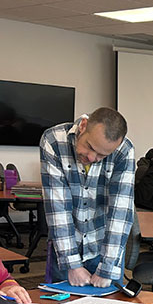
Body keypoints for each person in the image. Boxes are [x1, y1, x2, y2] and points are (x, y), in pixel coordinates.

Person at [40, 106, 134, 289]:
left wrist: (107, 268)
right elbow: (57, 208)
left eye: (102, 155)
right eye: (90, 147)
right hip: (65, 245)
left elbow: (120, 212)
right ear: (83, 126)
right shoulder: (53, 141)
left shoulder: (124, 150)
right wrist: (72, 264)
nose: (92, 157)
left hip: (105, 246)